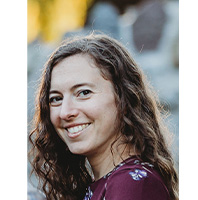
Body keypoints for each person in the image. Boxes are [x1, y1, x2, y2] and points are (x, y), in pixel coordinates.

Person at [29, 33, 178, 200]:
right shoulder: (108, 184)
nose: (65, 112)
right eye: (56, 99)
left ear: (124, 99)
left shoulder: (132, 185)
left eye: (84, 93)